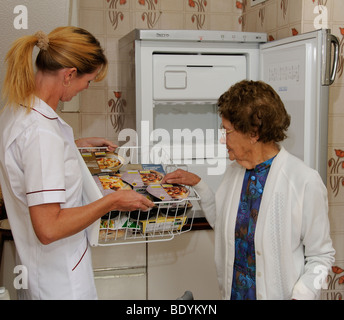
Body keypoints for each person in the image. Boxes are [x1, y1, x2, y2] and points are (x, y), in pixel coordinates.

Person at [0, 27, 154, 300]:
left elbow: (29, 161)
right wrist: (113, 201)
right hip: (60, 282)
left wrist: (74, 145)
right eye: (89, 81)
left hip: (41, 271)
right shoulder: (41, 134)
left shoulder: (18, 109)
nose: (86, 87)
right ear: (70, 74)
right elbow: (49, 228)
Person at [162, 80, 335, 300]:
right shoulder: (235, 171)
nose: (223, 139)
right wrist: (199, 184)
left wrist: (302, 295)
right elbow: (225, 226)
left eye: (227, 131)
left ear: (254, 133)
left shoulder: (303, 181)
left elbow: (322, 257)